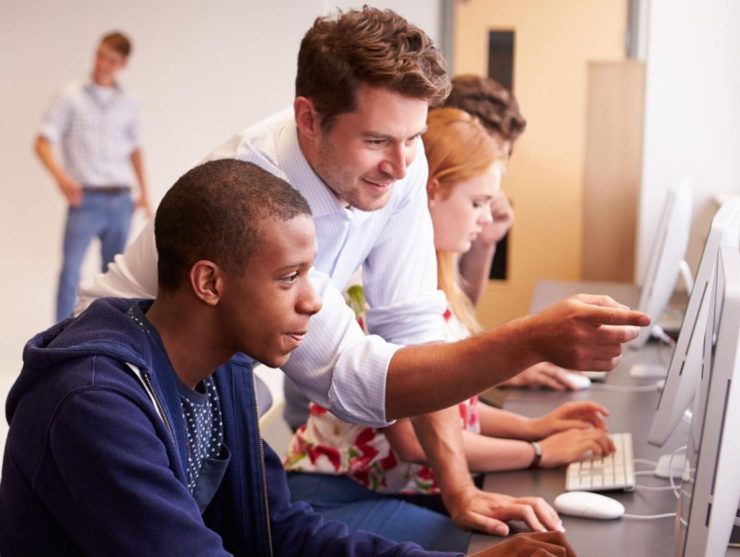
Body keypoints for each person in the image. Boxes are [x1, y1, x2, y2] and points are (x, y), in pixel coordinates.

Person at [76, 6, 649, 536]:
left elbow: (415, 328)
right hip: (135, 385)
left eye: (413, 138)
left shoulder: (400, 156)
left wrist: (458, 491)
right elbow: (357, 382)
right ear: (308, 117)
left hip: (222, 388)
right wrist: (533, 339)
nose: (402, 167)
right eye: (376, 140)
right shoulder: (257, 189)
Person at [0, 159, 578, 557]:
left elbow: (276, 528)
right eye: (289, 277)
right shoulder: (93, 404)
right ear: (209, 282)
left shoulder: (219, 370)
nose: (313, 300)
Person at [283, 109, 614, 551]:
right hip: (332, 500)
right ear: (431, 192)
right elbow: (412, 441)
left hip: (387, 488)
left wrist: (534, 428)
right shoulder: (371, 295)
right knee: (498, 542)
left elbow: (455, 411)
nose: (483, 222)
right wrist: (539, 452)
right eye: (476, 203)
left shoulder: (432, 290)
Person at [443, 75, 583, 392]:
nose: (498, 170)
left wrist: (486, 243)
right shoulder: (433, 212)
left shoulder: (466, 213)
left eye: (504, 155)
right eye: (488, 153)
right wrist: (500, 369)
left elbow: (456, 317)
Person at [35, 30, 152, 322]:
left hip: (120, 199)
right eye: (100, 55)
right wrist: (62, 179)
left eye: (111, 60)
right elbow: (42, 141)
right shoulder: (70, 96)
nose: (102, 64)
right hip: (85, 199)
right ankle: (59, 342)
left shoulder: (129, 102)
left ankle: (105, 339)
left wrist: (144, 193)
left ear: (122, 64)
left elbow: (135, 149)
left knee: (115, 279)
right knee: (70, 271)